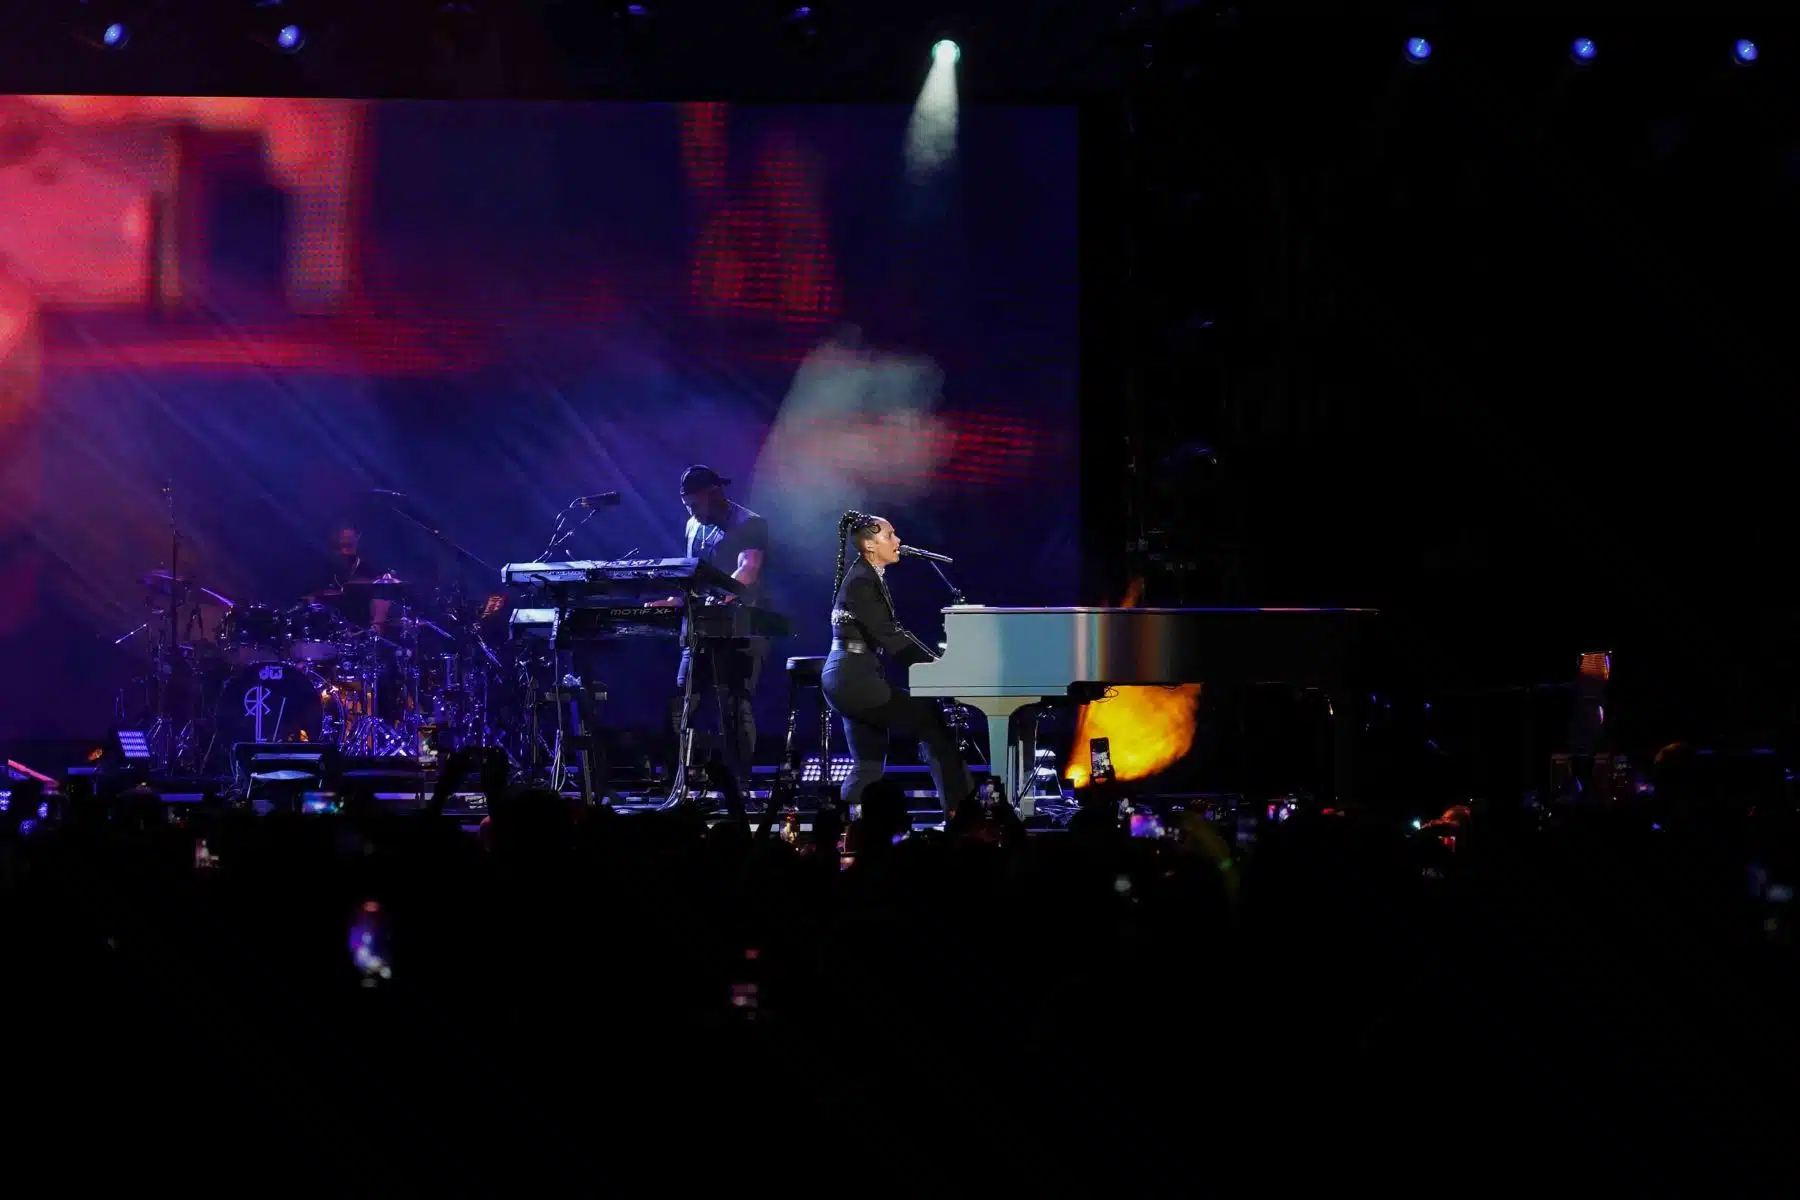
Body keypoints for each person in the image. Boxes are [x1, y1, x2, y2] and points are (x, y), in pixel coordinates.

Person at [823, 510, 973, 816]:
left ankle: (849, 826)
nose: (898, 540)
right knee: (929, 719)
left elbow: (892, 633)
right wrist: (940, 669)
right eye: (890, 535)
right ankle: (960, 813)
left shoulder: (865, 575)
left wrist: (936, 666)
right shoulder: (862, 581)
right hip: (855, 681)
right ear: (870, 545)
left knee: (868, 764)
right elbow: (892, 637)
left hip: (851, 680)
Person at [668, 465, 769, 785]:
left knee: (734, 706)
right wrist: (677, 601)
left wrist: (717, 599)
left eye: (695, 504)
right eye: (687, 506)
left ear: (714, 494)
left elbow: (747, 570)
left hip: (739, 629)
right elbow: (692, 577)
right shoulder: (692, 525)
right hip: (698, 629)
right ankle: (686, 778)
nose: (692, 512)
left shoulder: (749, 523)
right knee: (684, 699)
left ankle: (740, 784)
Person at [315, 521, 391, 629]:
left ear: (357, 538)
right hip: (334, 625)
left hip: (363, 624)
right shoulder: (327, 566)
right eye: (342, 542)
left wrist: (377, 624)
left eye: (349, 542)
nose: (345, 545)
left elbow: (381, 595)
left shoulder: (369, 566)